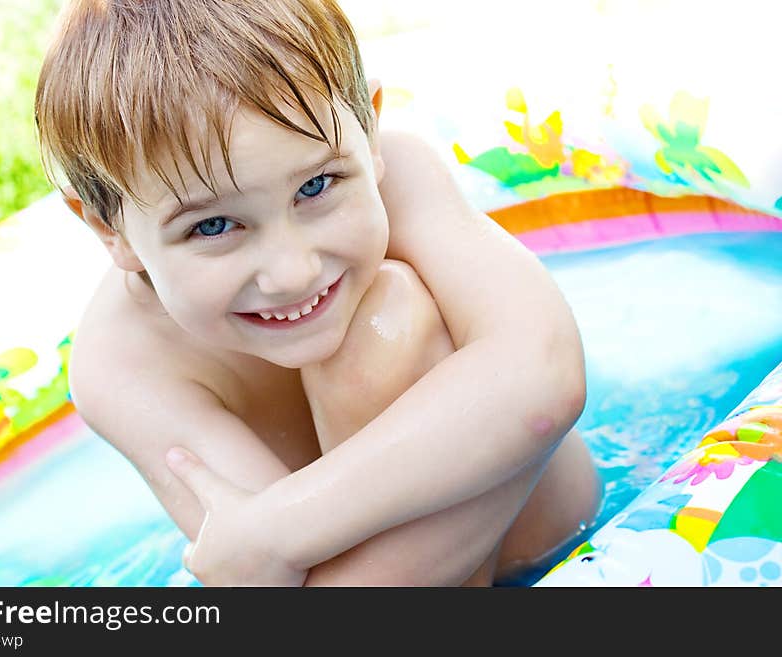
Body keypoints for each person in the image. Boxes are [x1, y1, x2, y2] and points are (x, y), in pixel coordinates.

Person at [35, 0, 600, 586]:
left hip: (560, 541)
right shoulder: (124, 362)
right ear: (108, 228)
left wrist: (279, 525)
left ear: (370, 130)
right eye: (212, 226)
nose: (292, 273)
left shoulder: (399, 178)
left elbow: (544, 375)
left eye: (316, 185)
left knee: (387, 317)